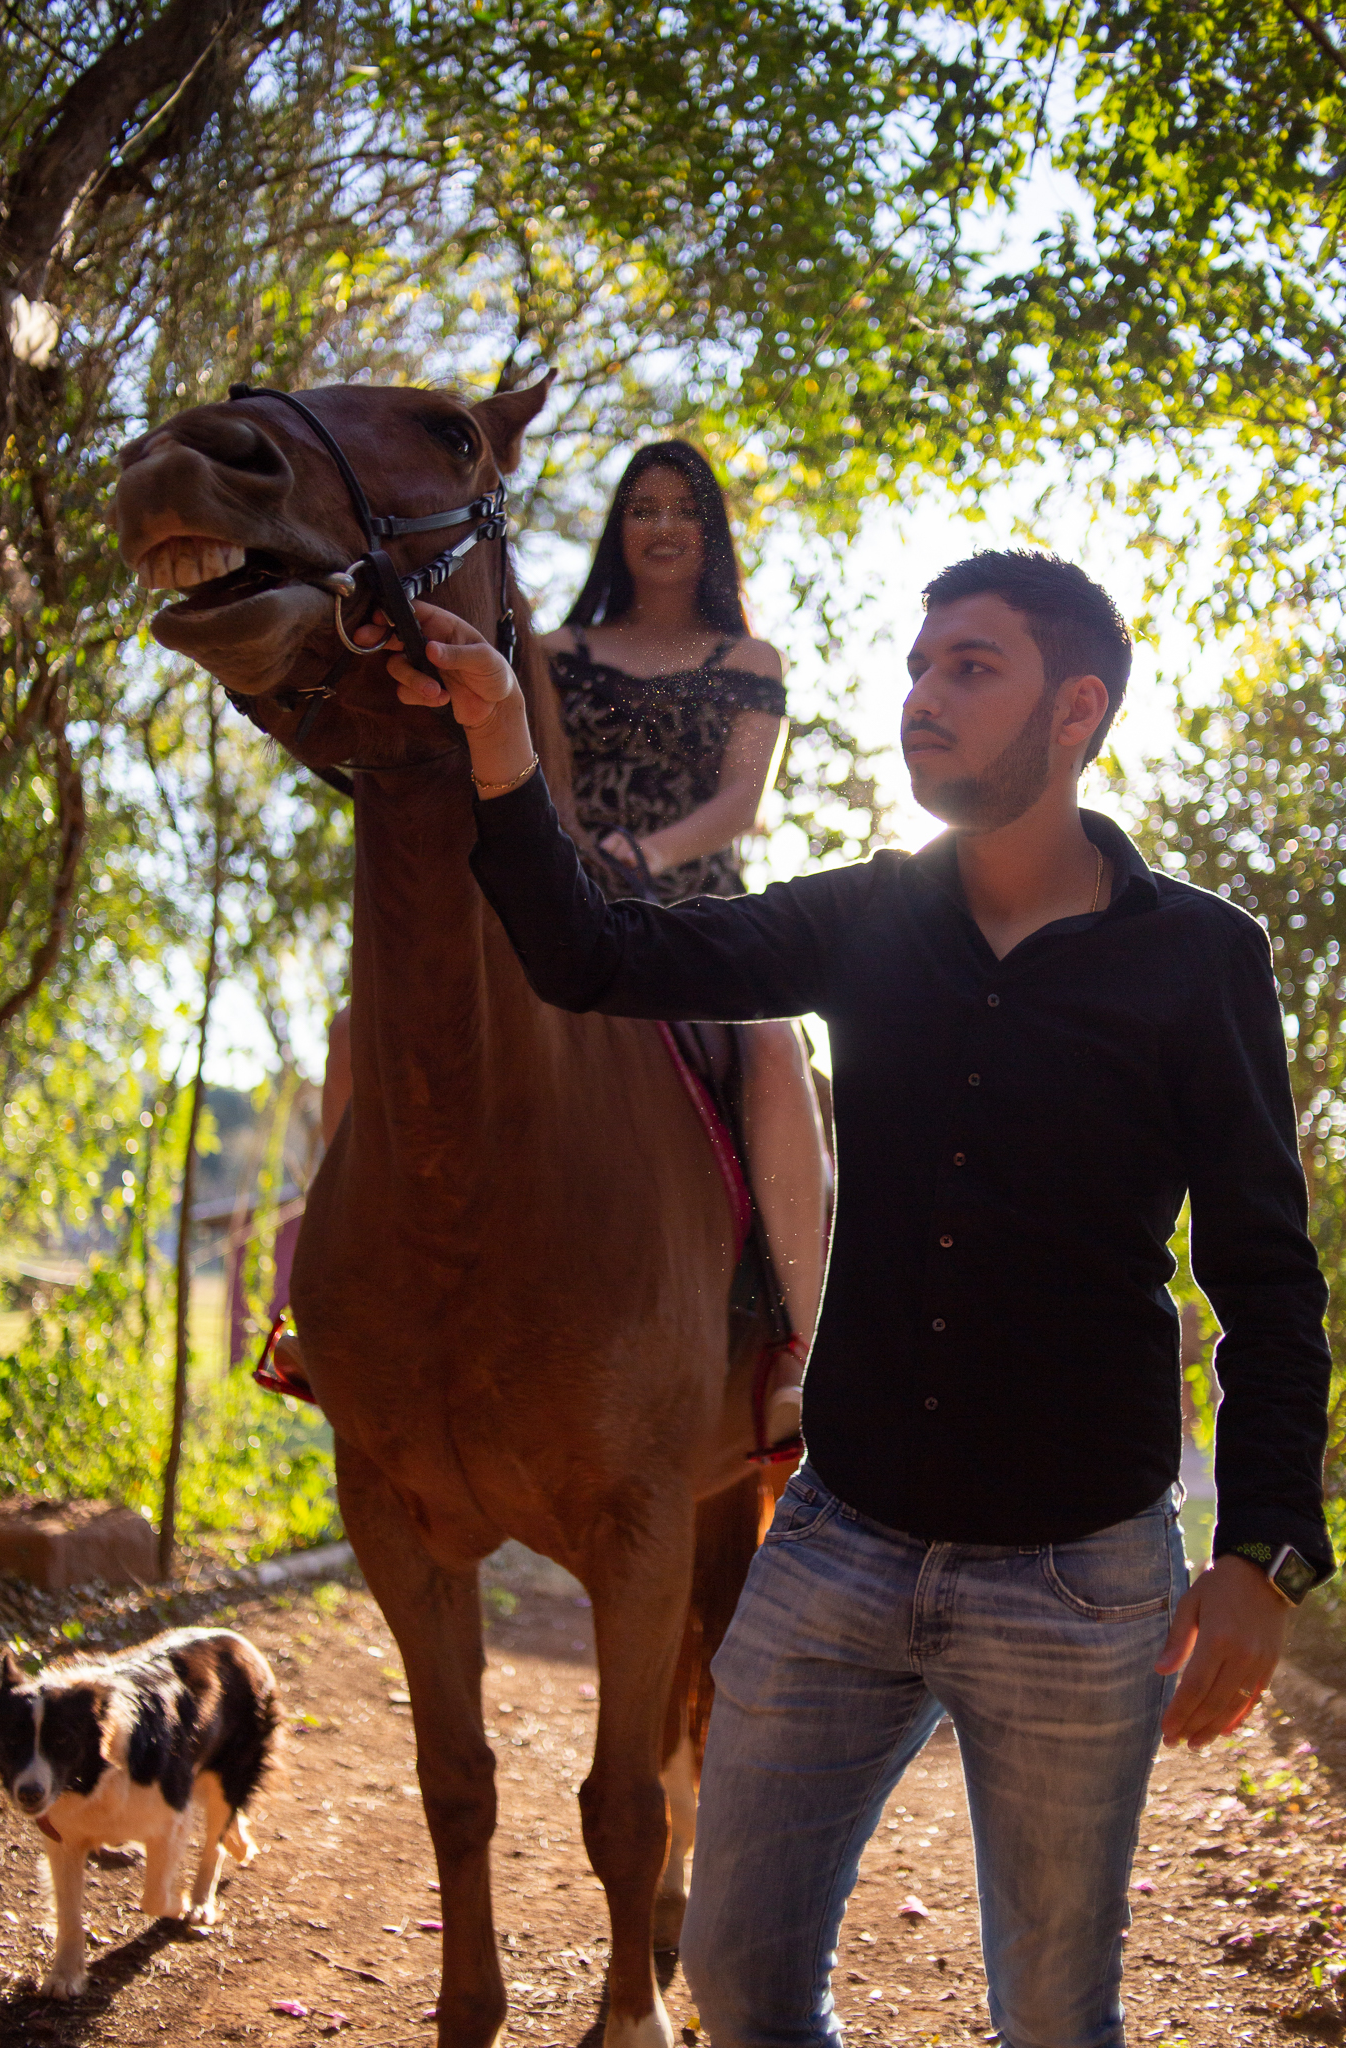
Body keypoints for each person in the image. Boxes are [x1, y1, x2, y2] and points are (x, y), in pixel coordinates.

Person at [374, 548, 1334, 2048]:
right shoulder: (868, 914)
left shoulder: (1201, 958)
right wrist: (500, 739)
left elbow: (1265, 1274)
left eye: (971, 667)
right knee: (740, 1981)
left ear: (1076, 708)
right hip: (840, 1544)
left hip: (1080, 1578)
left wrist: (1263, 1552)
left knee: (1055, 2018)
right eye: (917, 666)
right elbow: (591, 954)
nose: (922, 697)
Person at [539, 440, 828, 1445]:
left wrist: (648, 854)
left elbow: (741, 801)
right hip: (562, 903)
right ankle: (329, 1313)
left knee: (773, 1044)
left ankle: (800, 1345)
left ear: (712, 532)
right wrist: (572, 862)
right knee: (368, 1025)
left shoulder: (750, 664)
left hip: (699, 915)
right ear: (617, 528)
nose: (662, 527)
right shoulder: (551, 652)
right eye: (642, 508)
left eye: (683, 509)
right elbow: (532, 779)